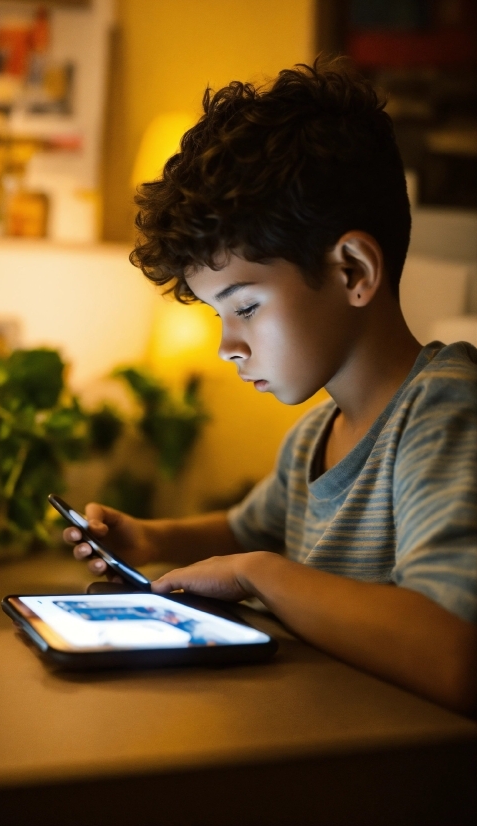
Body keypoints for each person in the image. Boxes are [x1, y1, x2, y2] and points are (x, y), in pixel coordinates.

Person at [65, 58, 477, 714]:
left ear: (351, 271)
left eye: (246, 307)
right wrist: (147, 540)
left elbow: (456, 654)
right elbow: (240, 529)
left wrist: (260, 574)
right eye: (217, 315)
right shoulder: (315, 435)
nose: (228, 345)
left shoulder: (444, 413)